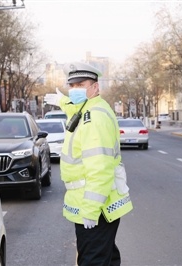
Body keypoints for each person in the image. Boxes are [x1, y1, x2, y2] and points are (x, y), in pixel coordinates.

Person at [44, 62, 133, 266]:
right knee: (105, 258)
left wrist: (91, 210)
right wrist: (62, 101)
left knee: (92, 261)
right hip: (98, 204)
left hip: (96, 207)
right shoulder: (89, 108)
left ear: (95, 87)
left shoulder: (94, 119)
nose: (75, 90)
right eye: (72, 86)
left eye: (80, 85)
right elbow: (76, 111)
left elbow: (100, 169)